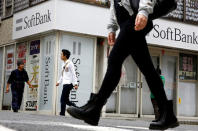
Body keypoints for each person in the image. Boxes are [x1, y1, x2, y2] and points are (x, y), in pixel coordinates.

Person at [67, 0, 179, 130]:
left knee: (115, 60)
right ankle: (167, 114)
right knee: (147, 68)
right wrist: (112, 27)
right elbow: (115, 3)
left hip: (135, 18)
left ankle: (94, 108)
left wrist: (144, 10)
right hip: (128, 21)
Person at [56, 49, 78, 116]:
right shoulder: (63, 63)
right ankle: (77, 109)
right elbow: (63, 74)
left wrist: (75, 84)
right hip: (65, 83)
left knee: (62, 99)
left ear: (65, 56)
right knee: (66, 100)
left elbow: (74, 74)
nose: (60, 55)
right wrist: (59, 82)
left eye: (61, 54)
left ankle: (62, 113)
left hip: (69, 84)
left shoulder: (70, 63)